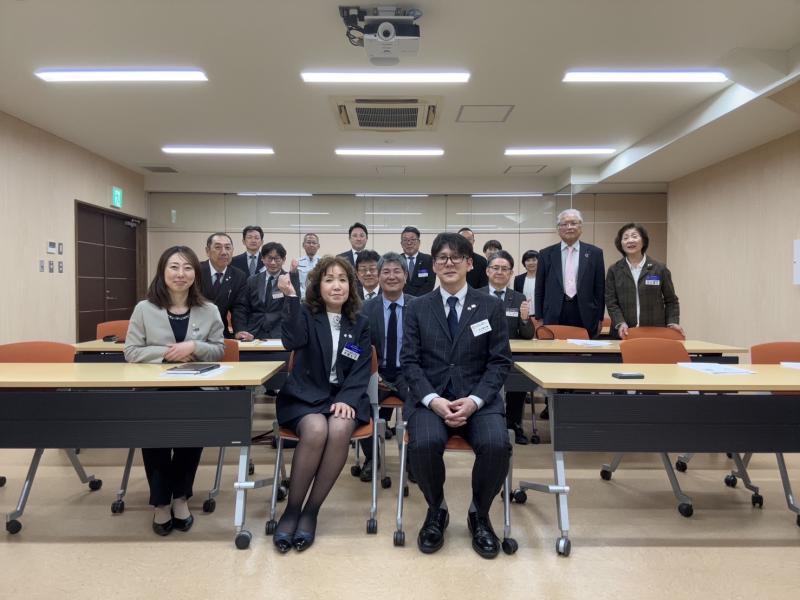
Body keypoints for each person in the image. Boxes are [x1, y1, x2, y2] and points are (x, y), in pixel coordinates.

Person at [401, 232, 512, 559]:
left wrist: (476, 400)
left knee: (496, 444)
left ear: (469, 263)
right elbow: (409, 361)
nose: (448, 263)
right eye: (441, 258)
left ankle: (480, 512)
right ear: (433, 265)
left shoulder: (490, 305)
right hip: (430, 400)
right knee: (422, 444)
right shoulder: (418, 307)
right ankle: (436, 508)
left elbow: (500, 360)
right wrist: (432, 399)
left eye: (456, 257)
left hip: (479, 400)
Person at [272, 256, 372, 553]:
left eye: (342, 279)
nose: (337, 285)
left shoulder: (360, 323)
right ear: (317, 285)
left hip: (343, 396)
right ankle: (291, 511)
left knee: (340, 429)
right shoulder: (305, 313)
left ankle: (311, 511)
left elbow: (361, 367)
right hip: (305, 395)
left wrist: (347, 399)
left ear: (351, 287)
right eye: (329, 279)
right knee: (315, 430)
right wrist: (290, 298)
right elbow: (291, 341)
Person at [124, 246, 225, 536]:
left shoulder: (209, 310)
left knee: (189, 439)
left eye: (187, 268)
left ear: (196, 273)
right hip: (153, 388)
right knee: (155, 440)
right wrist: (168, 353)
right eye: (174, 267)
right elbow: (131, 351)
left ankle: (180, 497)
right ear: (162, 271)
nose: (181, 274)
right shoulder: (144, 308)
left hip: (195, 388)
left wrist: (195, 347)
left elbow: (219, 349)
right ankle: (160, 503)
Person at [357, 252, 413, 482]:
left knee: (420, 401)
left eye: (396, 271)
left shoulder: (418, 307)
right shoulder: (365, 309)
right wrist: (370, 371)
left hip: (406, 373)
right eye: (386, 272)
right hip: (375, 373)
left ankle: (413, 460)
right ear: (378, 277)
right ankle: (373, 457)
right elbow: (354, 347)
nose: (391, 276)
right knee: (358, 402)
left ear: (406, 276)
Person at [480, 251, 534, 445]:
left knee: (518, 382)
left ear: (511, 273)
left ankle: (513, 424)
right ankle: (483, 423)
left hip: (509, 356)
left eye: (505, 269)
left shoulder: (518, 298)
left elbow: (527, 335)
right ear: (487, 271)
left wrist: (526, 319)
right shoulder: (475, 295)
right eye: (495, 268)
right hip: (481, 355)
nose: (500, 272)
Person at [534, 208, 605, 338]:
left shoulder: (595, 253)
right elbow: (539, 287)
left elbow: (599, 289)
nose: (569, 227)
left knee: (585, 353)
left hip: (585, 312)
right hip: (555, 311)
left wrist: (600, 318)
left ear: (581, 227)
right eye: (564, 224)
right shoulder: (545, 254)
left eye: (573, 223)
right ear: (558, 228)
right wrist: (539, 317)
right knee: (554, 352)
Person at [605, 223, 683, 338]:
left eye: (634, 236)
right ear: (620, 243)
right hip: (623, 333)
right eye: (625, 238)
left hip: (654, 332)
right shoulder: (614, 270)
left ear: (643, 241)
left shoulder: (659, 268)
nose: (630, 240)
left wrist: (673, 322)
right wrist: (620, 322)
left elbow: (671, 300)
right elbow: (611, 302)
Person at [240, 242, 300, 340]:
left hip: (280, 332)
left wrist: (293, 275)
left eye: (277, 258)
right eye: (269, 258)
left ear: (284, 259)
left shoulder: (289, 279)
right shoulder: (252, 280)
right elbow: (243, 307)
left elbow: (295, 303)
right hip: (254, 332)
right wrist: (243, 330)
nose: (273, 263)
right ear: (262, 259)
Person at [199, 232, 248, 338]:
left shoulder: (238, 276)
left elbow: (238, 307)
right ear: (207, 251)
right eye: (218, 247)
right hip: (194, 331)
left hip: (221, 333)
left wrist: (240, 330)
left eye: (228, 247)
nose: (224, 252)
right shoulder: (195, 271)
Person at [400, 226, 435, 296]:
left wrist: (416, 300)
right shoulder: (396, 260)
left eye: (412, 239)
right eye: (405, 240)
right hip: (401, 300)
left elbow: (429, 284)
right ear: (401, 243)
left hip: (422, 301)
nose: (409, 243)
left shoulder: (428, 260)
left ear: (419, 242)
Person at [291, 232, 321, 297]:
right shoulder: (296, 262)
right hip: (302, 298)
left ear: (318, 246)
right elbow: (295, 282)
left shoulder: (323, 262)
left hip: (319, 298)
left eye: (314, 243)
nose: (311, 245)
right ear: (303, 245)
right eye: (308, 242)